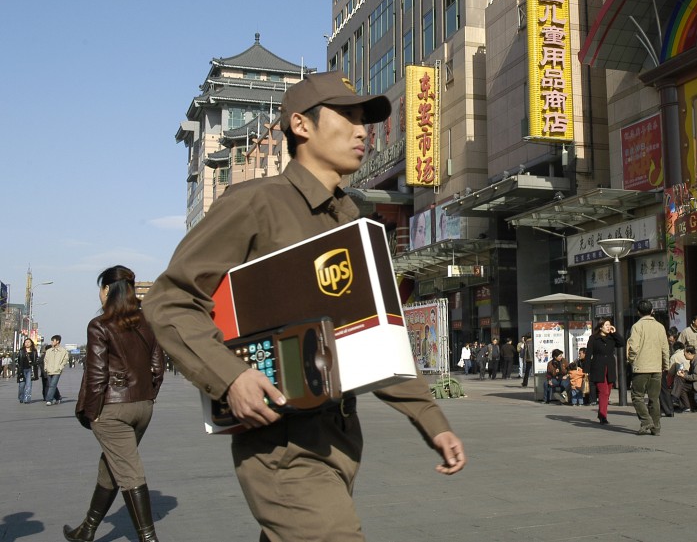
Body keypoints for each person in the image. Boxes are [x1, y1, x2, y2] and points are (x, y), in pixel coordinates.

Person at [143, 73, 466, 541]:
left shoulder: (353, 219)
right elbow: (170, 301)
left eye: (365, 121)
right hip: (280, 444)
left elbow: (377, 334)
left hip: (340, 440)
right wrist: (231, 376)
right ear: (301, 125)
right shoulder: (255, 204)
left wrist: (432, 421)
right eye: (348, 116)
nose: (362, 131)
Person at [65, 265, 165, 542]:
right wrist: (147, 396)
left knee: (130, 474)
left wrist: (93, 413)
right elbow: (158, 368)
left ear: (107, 290)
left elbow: (96, 376)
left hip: (113, 409)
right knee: (111, 468)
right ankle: (87, 530)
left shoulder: (99, 325)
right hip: (143, 407)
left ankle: (148, 538)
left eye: (100, 288)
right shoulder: (148, 322)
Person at [626, 300, 670, 436]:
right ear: (652, 311)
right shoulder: (660, 326)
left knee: (637, 396)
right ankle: (656, 428)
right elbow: (665, 347)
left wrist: (631, 359)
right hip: (656, 367)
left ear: (638, 312)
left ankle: (646, 421)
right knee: (654, 398)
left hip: (641, 367)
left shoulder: (637, 326)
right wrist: (665, 365)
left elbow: (633, 346)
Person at [583, 318, 624, 424]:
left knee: (608, 392)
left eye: (609, 325)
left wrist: (615, 333)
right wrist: (586, 370)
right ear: (600, 327)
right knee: (604, 392)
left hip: (610, 367)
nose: (608, 327)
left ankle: (601, 412)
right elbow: (588, 354)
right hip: (598, 367)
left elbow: (621, 343)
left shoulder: (612, 338)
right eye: (606, 325)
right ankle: (603, 416)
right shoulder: (593, 338)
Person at [43, 334, 70, 405]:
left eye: (53, 341)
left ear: (57, 341)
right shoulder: (49, 351)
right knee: (52, 385)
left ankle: (49, 399)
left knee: (52, 385)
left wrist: (60, 367)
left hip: (57, 371)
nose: (52, 342)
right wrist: (46, 367)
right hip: (49, 370)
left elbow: (65, 359)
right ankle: (58, 397)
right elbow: (46, 360)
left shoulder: (63, 351)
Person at [16, 338, 39, 404]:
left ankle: (27, 399)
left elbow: (36, 360)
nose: (27, 343)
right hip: (22, 370)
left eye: (28, 342)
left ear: (31, 343)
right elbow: (18, 360)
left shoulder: (34, 351)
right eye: (26, 342)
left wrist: (35, 364)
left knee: (29, 385)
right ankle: (21, 397)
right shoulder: (21, 351)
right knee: (21, 385)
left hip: (30, 370)